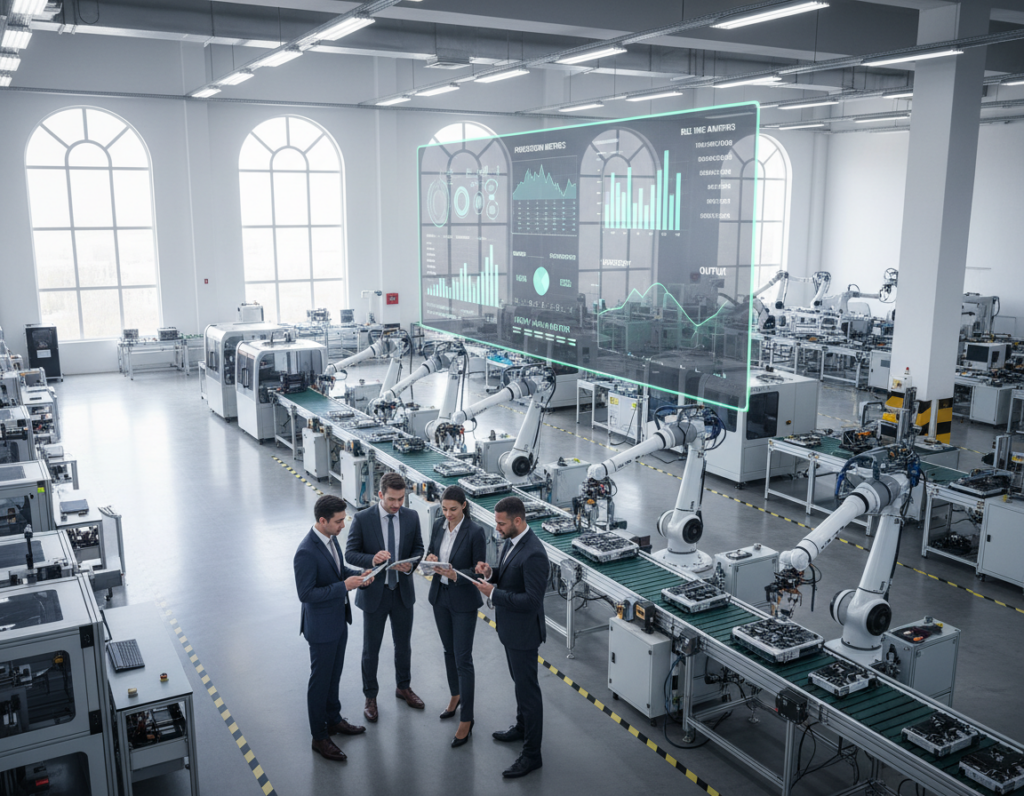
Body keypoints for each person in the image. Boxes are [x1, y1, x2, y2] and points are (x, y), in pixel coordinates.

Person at [293, 494, 375, 762]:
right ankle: (319, 737)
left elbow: (337, 570)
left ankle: (334, 719)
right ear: (322, 520)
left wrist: (356, 575)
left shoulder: (331, 539)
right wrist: (344, 587)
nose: (343, 525)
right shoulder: (305, 552)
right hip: (321, 628)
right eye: (339, 521)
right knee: (320, 682)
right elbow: (306, 594)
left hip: (338, 620)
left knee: (334, 675)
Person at [473, 496, 549, 779]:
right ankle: (521, 727)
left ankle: (532, 755)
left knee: (529, 693)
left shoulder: (535, 554)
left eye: (501, 523)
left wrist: (494, 593)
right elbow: (509, 576)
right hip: (510, 630)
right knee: (520, 686)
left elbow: (531, 601)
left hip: (524, 635)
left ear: (518, 521)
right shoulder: (512, 541)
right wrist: (491, 574)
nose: (497, 528)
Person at [345, 472, 425, 723]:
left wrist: (410, 566)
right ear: (380, 495)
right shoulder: (362, 518)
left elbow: (419, 549)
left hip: (402, 592)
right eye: (392, 499)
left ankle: (403, 687)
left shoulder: (411, 517)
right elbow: (350, 553)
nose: (397, 505)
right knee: (371, 649)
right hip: (375, 594)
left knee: (404, 646)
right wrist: (372, 559)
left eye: (401, 499)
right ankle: (370, 696)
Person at [423, 485, 487, 748]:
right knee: (448, 651)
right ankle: (455, 694)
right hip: (440, 597)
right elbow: (430, 551)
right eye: (444, 509)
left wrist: (456, 574)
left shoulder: (475, 532)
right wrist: (430, 559)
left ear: (463, 506)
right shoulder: (439, 524)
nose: (447, 514)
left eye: (453, 509)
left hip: (462, 600)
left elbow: (479, 571)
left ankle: (467, 719)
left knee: (463, 658)